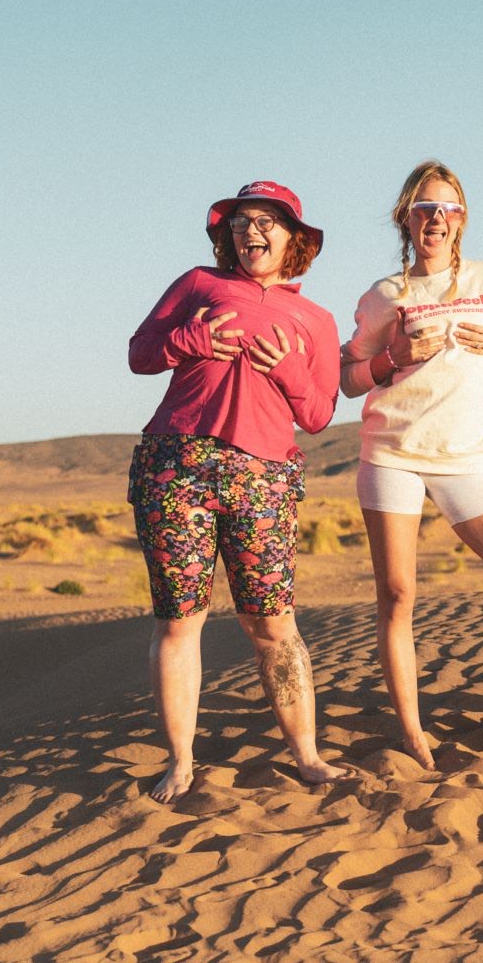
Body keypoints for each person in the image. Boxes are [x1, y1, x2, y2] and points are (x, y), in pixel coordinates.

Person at [128, 180, 347, 803]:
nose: (252, 231)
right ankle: (180, 761)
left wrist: (287, 369)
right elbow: (140, 354)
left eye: (268, 222)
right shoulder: (199, 284)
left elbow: (319, 413)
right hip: (178, 464)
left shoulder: (317, 320)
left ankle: (306, 755)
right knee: (179, 622)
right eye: (242, 221)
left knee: (275, 626)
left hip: (263, 476)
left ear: (294, 240)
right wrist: (189, 340)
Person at [340, 160, 483, 770]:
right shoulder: (385, 295)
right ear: (405, 219)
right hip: (392, 455)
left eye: (448, 208)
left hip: (465, 461)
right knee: (399, 594)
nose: (436, 218)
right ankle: (412, 734)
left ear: (462, 220)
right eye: (424, 208)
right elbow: (346, 378)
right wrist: (390, 357)